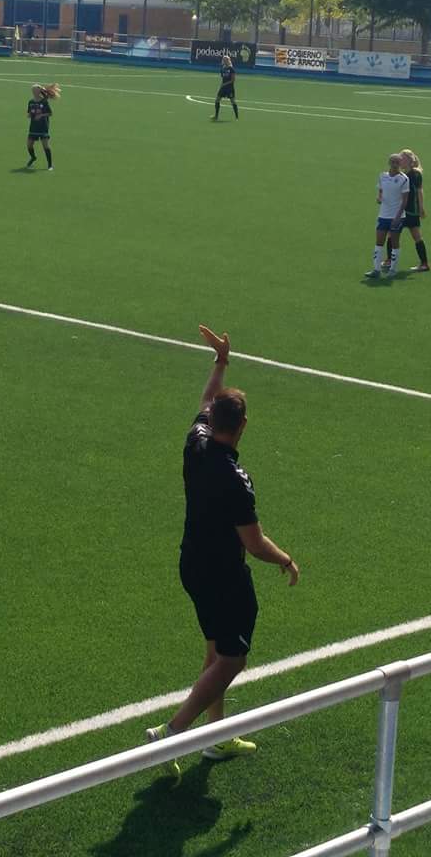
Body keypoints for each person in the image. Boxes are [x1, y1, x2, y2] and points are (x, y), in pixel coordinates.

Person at [144, 324, 299, 777]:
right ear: (244, 426)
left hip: (191, 563)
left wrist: (221, 361)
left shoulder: (197, 442)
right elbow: (253, 544)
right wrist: (286, 559)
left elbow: (206, 399)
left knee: (215, 647)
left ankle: (215, 738)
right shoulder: (236, 479)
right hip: (223, 574)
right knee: (233, 657)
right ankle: (170, 735)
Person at [365, 154, 409, 279]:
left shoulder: (404, 179)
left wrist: (398, 217)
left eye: (397, 162)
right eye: (393, 162)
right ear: (389, 163)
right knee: (379, 242)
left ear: (400, 164)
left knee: (395, 243)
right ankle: (376, 269)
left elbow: (405, 200)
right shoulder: (382, 176)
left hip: (396, 216)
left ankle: (393, 269)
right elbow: (380, 190)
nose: (395, 165)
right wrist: (379, 197)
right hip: (383, 215)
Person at [391, 148, 429, 271]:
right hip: (399, 210)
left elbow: (419, 191)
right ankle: (388, 260)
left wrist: (421, 208)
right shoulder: (400, 174)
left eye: (402, 158)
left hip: (411, 210)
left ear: (409, 161)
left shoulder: (415, 174)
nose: (400, 160)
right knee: (392, 234)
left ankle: (424, 264)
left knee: (416, 236)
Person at [26, 82, 59, 171]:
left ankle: (50, 165)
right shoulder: (31, 102)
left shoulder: (44, 102)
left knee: (45, 146)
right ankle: (33, 157)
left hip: (43, 126)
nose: (33, 91)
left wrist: (41, 115)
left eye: (34, 90)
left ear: (38, 91)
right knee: (29, 145)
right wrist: (29, 115)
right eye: (32, 90)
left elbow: (50, 113)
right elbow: (29, 113)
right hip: (33, 127)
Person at [213, 55, 239, 120]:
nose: (224, 61)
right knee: (217, 100)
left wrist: (224, 84)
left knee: (233, 101)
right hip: (223, 87)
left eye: (225, 60)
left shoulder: (231, 69)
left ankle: (236, 117)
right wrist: (220, 86)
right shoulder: (223, 68)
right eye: (223, 60)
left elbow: (233, 80)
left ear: (228, 61)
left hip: (229, 88)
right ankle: (216, 116)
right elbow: (223, 79)